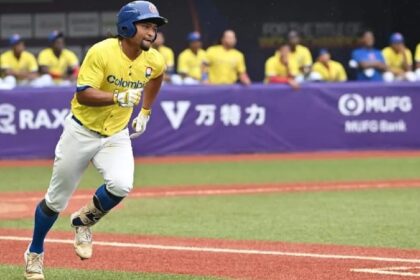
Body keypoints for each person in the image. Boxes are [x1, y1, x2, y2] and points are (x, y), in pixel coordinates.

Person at [23, 1, 167, 280]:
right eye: (146, 26)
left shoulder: (154, 59)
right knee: (55, 201)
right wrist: (118, 97)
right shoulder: (101, 51)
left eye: (154, 27)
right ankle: (34, 253)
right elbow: (83, 93)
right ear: (127, 26)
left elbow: (157, 77)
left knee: (122, 184)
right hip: (81, 131)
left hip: (115, 134)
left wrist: (146, 111)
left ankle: (83, 220)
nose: (152, 32)